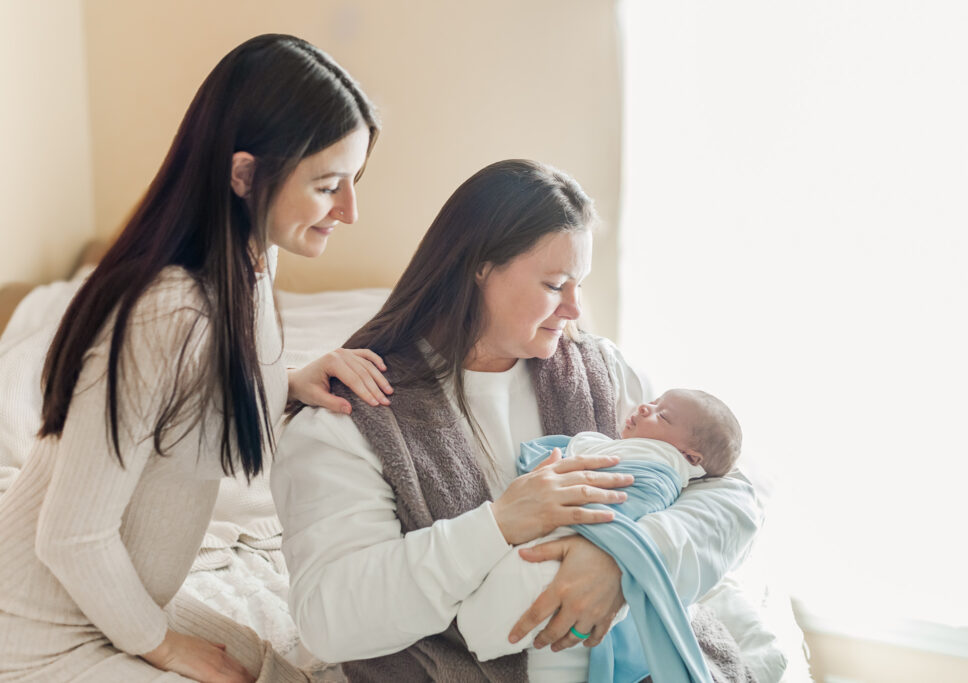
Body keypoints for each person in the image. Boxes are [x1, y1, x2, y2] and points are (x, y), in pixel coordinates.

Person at [272, 159, 762, 682]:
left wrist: (621, 565)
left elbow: (732, 494)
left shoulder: (602, 373)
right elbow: (329, 620)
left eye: (579, 284)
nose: (574, 308)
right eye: (554, 284)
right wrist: (499, 524)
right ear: (478, 267)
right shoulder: (350, 420)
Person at [0, 34, 391, 683]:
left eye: (356, 180)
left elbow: (191, 406)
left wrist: (290, 384)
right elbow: (70, 533)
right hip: (40, 625)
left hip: (117, 597)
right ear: (244, 176)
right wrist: (164, 645)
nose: (351, 210)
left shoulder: (254, 258)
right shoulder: (168, 313)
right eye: (328, 186)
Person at [458, 388, 743, 663]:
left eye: (663, 416)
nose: (645, 407)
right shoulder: (633, 450)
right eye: (654, 402)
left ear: (690, 458)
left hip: (570, 560)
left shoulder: (659, 467)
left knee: (524, 585)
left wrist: (617, 556)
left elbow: (632, 504)